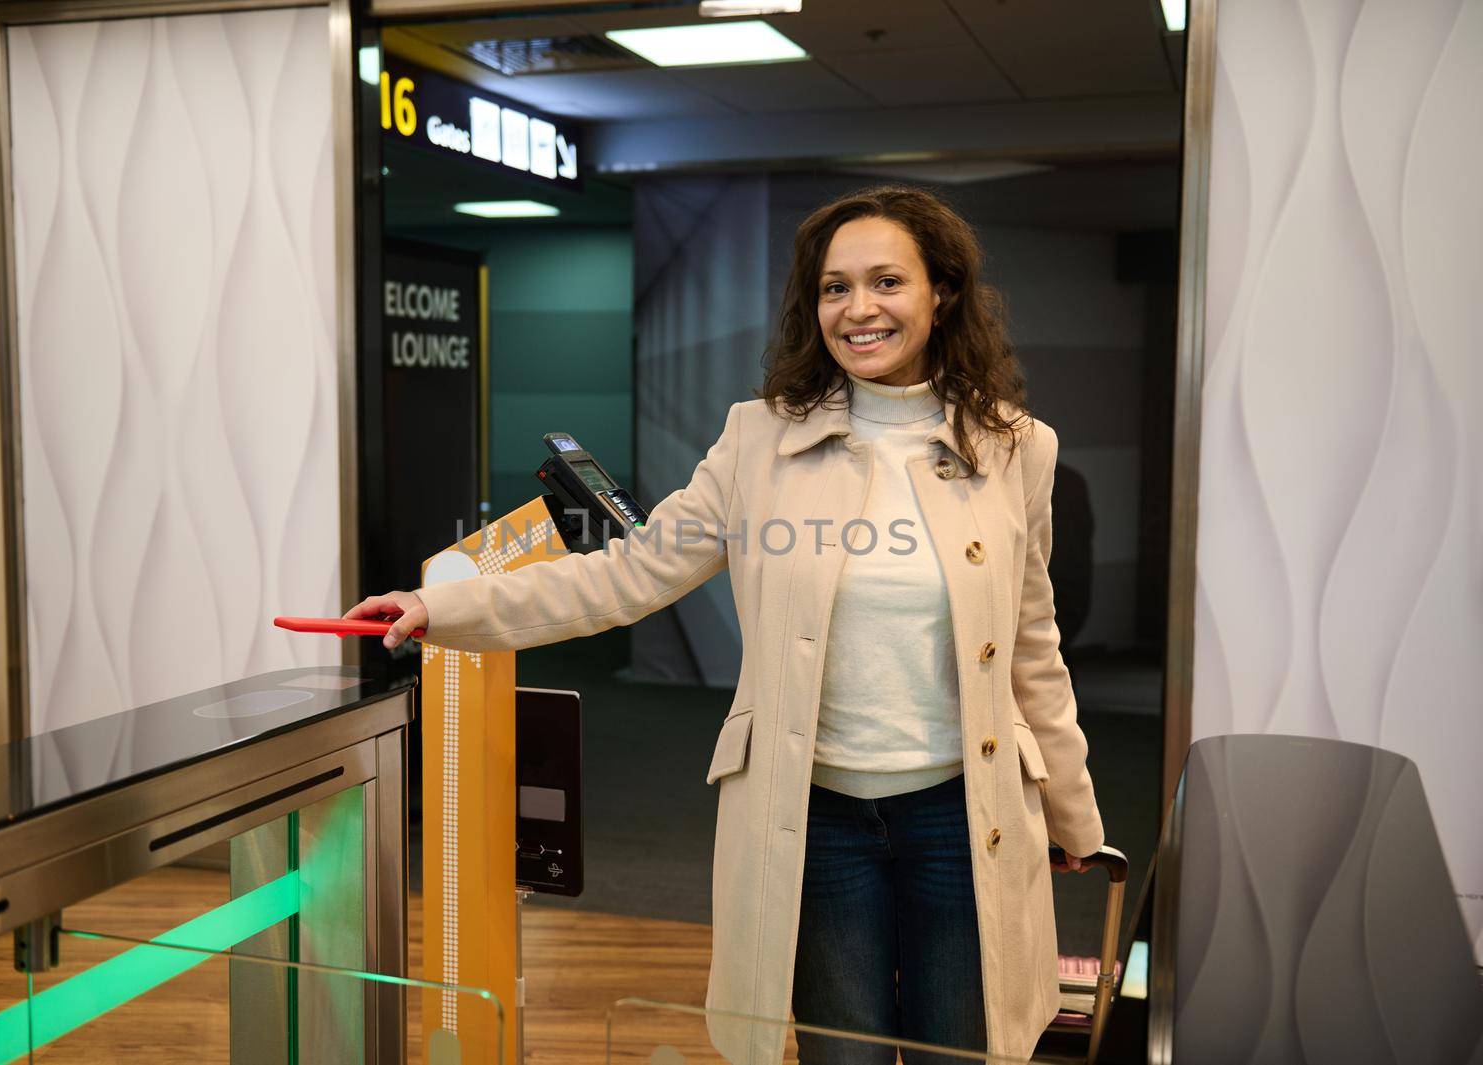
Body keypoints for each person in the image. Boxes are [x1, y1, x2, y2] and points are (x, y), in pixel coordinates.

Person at [347, 185, 1104, 1064]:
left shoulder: (1016, 446)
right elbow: (630, 573)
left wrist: (1073, 813)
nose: (858, 309)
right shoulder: (758, 441)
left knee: (960, 1050)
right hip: (815, 814)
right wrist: (443, 608)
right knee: (840, 1053)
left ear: (941, 293)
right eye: (833, 287)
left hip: (962, 810)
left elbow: (1031, 644)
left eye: (887, 282)